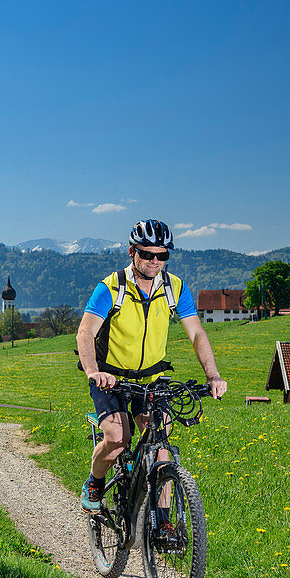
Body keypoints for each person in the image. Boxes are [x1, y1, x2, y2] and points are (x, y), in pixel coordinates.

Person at [76, 219, 227, 538]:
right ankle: (95, 483)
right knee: (117, 438)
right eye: (147, 254)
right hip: (111, 378)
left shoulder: (174, 287)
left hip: (152, 379)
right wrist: (93, 371)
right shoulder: (112, 287)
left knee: (160, 444)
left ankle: (162, 522)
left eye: (162, 255)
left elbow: (197, 332)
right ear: (132, 252)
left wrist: (212, 375)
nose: (154, 261)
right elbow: (86, 332)